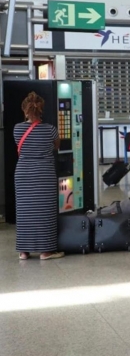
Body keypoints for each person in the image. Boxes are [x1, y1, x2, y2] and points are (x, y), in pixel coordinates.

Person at [15, 92, 63, 261]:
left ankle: (23, 251)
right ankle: (45, 251)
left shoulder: (17, 129)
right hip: (44, 173)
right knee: (44, 211)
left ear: (25, 110)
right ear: (41, 110)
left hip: (22, 174)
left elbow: (21, 147)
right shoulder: (50, 130)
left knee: (25, 211)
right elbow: (56, 146)